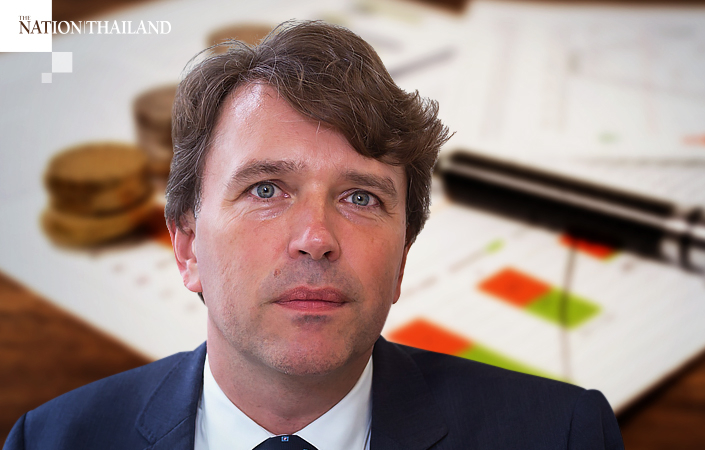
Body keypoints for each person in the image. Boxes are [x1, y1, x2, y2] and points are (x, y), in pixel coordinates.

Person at [4, 21, 624, 450]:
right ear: (187, 246)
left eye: (361, 197)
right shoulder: (52, 441)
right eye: (266, 189)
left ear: (402, 259)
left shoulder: (561, 435)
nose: (315, 238)